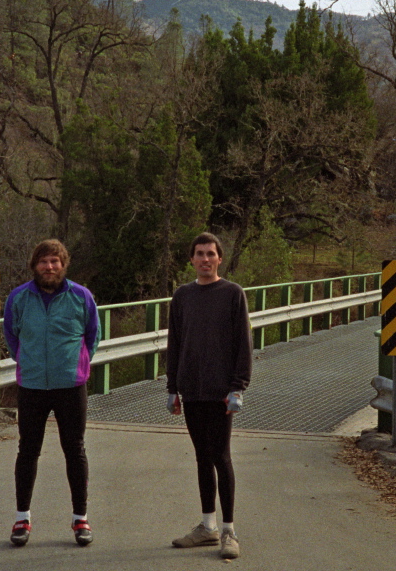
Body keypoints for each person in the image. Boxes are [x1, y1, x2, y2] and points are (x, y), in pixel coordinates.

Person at [3, 239, 100, 547]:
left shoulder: (81, 296)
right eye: (44, 261)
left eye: (55, 261)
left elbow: (92, 336)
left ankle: (80, 519)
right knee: (27, 451)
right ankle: (22, 519)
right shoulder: (19, 298)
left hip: (70, 385)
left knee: (75, 450)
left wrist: (77, 364)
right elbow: (11, 336)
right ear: (35, 265)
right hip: (32, 385)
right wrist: (28, 361)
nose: (49, 267)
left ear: (63, 265)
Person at [165, 232, 252, 560]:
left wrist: (238, 386)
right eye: (199, 254)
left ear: (219, 259)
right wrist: (172, 388)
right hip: (191, 389)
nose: (205, 259)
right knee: (202, 456)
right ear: (191, 259)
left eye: (210, 254)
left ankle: (229, 531)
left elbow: (243, 343)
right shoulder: (182, 296)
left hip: (221, 391)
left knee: (221, 457)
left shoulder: (232, 294)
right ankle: (207, 526)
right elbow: (175, 343)